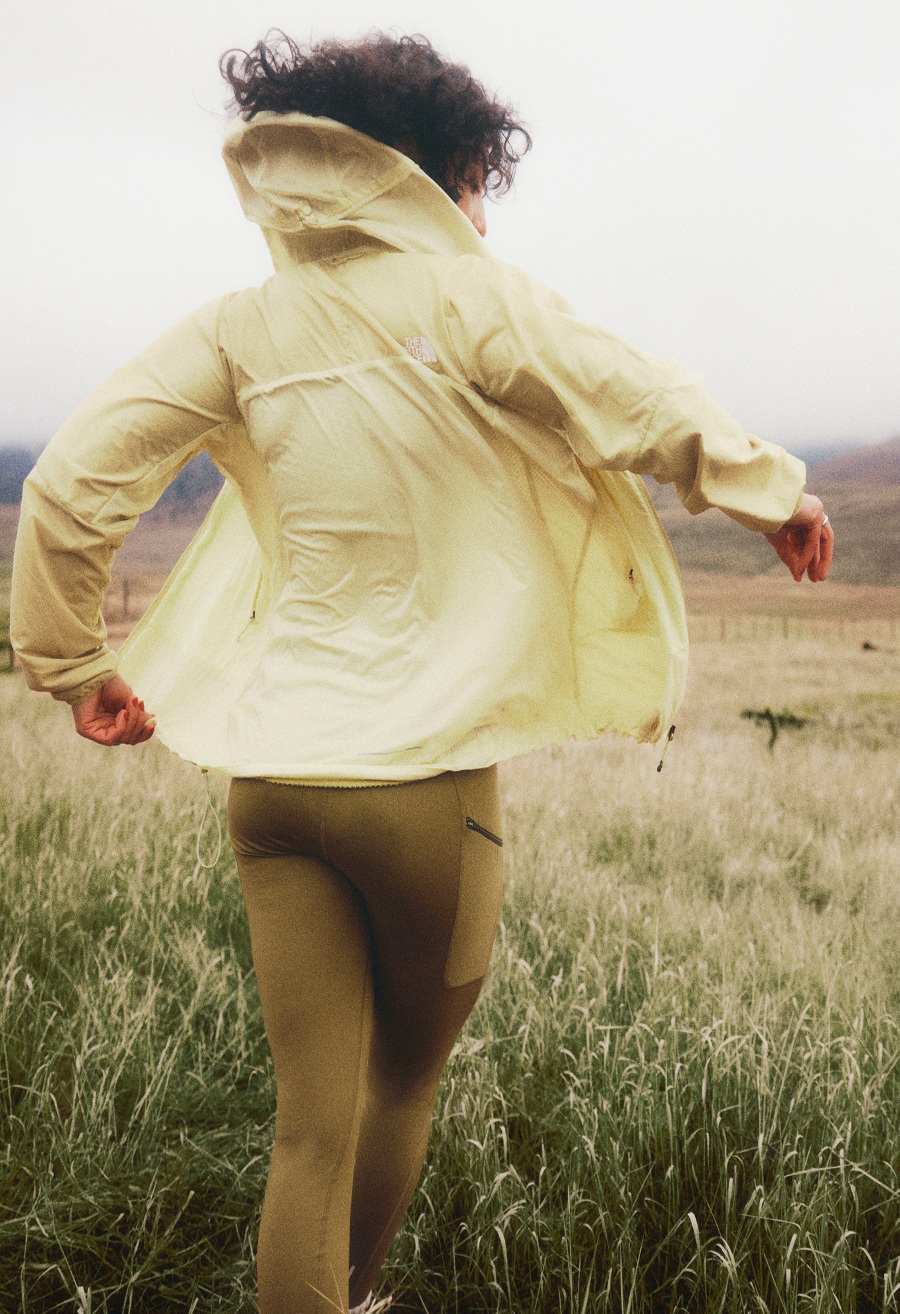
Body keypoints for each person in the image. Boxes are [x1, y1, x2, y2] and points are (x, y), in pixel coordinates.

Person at [10, 30, 833, 1314]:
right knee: (401, 1081)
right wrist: (764, 488)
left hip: (271, 787)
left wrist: (72, 666)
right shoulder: (467, 298)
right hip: (424, 793)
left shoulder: (234, 329)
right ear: (428, 174)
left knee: (305, 1129)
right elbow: (622, 388)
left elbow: (68, 486)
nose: (484, 216)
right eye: (477, 184)